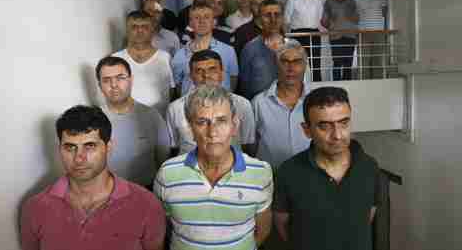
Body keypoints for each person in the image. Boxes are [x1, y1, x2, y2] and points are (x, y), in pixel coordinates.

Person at [21, 105, 166, 250]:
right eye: (70, 147)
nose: (79, 158)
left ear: (108, 148)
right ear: (60, 149)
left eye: (89, 146)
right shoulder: (35, 209)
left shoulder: (147, 205)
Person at [155, 85, 273, 250]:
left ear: (234, 125)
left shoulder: (260, 172)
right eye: (202, 122)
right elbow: (164, 227)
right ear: (190, 129)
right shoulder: (167, 173)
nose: (212, 132)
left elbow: (263, 229)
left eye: (221, 121)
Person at [274, 86, 381, 250]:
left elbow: (367, 217)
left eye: (343, 123)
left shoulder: (369, 167)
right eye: (325, 126)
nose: (337, 135)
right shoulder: (288, 172)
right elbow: (282, 226)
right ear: (307, 130)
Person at [96, 56, 170, 188]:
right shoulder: (94, 120)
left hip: (147, 192)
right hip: (110, 196)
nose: (114, 85)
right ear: (100, 85)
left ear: (131, 80)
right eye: (107, 80)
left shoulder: (151, 116)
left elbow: (163, 162)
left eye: (120, 78)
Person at [166, 49, 255, 157]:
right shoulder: (175, 108)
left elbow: (247, 145)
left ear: (222, 74)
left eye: (212, 70)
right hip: (187, 169)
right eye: (199, 71)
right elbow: (174, 147)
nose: (206, 75)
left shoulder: (243, 105)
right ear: (191, 76)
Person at [251, 40, 310, 170]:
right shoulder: (259, 103)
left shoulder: (316, 101)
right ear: (276, 65)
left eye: (297, 62)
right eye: (285, 62)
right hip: (270, 177)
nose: (291, 68)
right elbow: (251, 145)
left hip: (310, 176)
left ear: (305, 66)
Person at [112, 10, 175, 115]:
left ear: (152, 30)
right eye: (134, 27)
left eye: (145, 27)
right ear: (127, 30)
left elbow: (172, 91)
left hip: (158, 122)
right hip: (126, 120)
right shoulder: (116, 59)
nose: (139, 31)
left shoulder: (165, 58)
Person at [171, 4, 238, 96]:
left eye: (206, 17)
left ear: (214, 22)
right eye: (197, 17)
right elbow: (178, 85)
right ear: (190, 23)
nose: (202, 21)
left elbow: (233, 80)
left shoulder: (229, 51)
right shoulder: (179, 55)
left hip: (220, 106)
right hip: (191, 107)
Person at [238, 0, 284, 100]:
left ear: (282, 18)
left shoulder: (294, 47)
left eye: (277, 14)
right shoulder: (249, 49)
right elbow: (245, 85)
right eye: (267, 15)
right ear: (259, 19)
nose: (273, 19)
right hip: (260, 108)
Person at [284, 0, 323, 81]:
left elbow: (320, 19)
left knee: (316, 63)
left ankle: (317, 86)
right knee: (298, 63)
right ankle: (298, 85)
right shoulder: (292, 1)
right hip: (298, 35)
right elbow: (286, 21)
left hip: (314, 34)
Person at [352, 0, 389, 79]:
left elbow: (384, 13)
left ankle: (378, 87)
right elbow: (353, 17)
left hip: (378, 33)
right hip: (362, 34)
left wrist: (385, 32)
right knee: (363, 64)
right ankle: (364, 88)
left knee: (378, 62)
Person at [322, 0, 359, 81]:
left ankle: (347, 88)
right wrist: (331, 25)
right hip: (336, 37)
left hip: (350, 36)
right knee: (337, 63)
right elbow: (324, 21)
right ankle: (337, 88)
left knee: (348, 64)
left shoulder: (351, 2)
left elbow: (357, 19)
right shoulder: (329, 2)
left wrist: (350, 15)